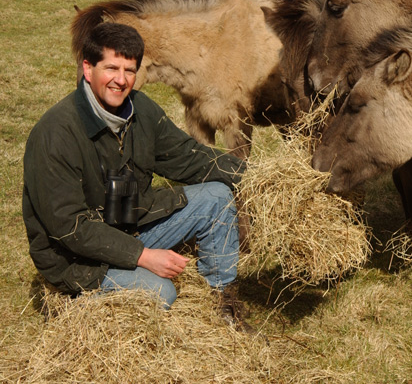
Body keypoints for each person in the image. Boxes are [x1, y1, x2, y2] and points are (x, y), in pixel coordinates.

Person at [22, 22, 252, 332]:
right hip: (74, 258)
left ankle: (222, 303)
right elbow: (70, 229)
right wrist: (143, 256)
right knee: (161, 292)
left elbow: (188, 157)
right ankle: (71, 302)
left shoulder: (140, 110)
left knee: (216, 197)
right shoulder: (55, 133)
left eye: (129, 70)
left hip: (128, 224)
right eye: (112, 68)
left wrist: (258, 178)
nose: (121, 80)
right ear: (88, 69)